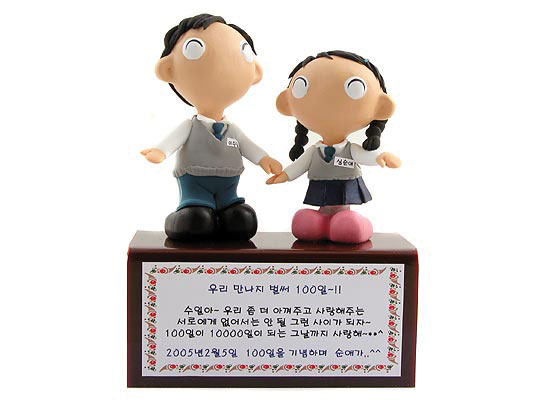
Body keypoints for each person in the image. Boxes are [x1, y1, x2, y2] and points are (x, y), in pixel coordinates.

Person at [141, 14, 282, 241]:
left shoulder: (233, 131)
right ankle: (183, 216)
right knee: (196, 221)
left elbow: (248, 147)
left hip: (229, 189)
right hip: (195, 186)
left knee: (243, 221)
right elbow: (172, 141)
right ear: (168, 69)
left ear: (255, 72)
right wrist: (160, 151)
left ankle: (227, 212)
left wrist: (264, 159)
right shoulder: (189, 126)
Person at [267, 51, 401, 243]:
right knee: (305, 222)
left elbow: (363, 156)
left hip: (344, 189)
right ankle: (321, 221)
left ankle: (355, 224)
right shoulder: (314, 151)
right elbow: (300, 165)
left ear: (381, 107)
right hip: (321, 187)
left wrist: (380, 157)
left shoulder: (350, 150)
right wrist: (284, 176)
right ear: (286, 103)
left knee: (345, 223)